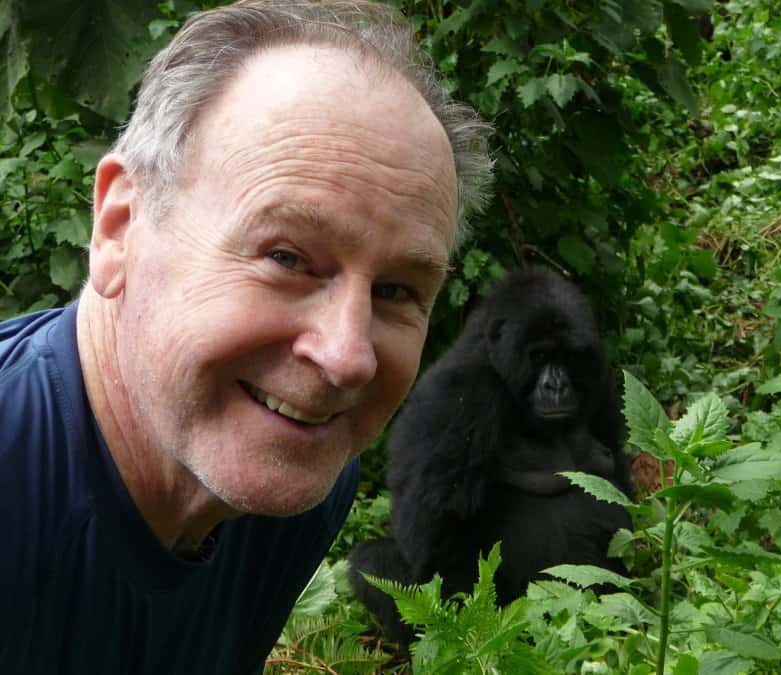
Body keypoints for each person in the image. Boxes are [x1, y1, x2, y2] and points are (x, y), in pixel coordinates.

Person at [0, 1, 492, 672]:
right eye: (286, 257)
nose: (347, 357)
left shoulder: (294, 463)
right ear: (119, 227)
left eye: (396, 291)